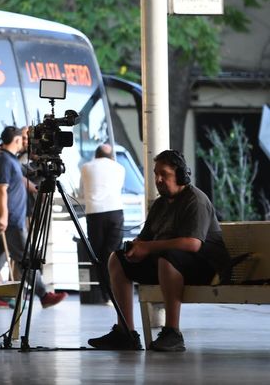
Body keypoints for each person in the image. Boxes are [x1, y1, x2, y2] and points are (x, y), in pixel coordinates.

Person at [89, 149, 232, 352]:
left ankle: (173, 332)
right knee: (117, 259)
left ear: (181, 175)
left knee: (167, 257)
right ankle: (125, 333)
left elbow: (193, 244)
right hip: (168, 265)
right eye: (156, 174)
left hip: (205, 267)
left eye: (164, 174)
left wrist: (148, 247)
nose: (158, 179)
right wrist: (136, 247)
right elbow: (145, 239)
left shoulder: (195, 200)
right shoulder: (160, 204)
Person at [0, 126, 66, 309]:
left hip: (12, 218)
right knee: (27, 259)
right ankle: (43, 295)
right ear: (17, 140)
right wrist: (3, 216)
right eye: (23, 139)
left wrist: (36, 190)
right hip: (11, 219)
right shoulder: (3, 161)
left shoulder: (9, 160)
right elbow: (1, 190)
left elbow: (19, 179)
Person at [80, 143, 126, 304]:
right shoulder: (119, 168)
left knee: (98, 256)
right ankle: (117, 291)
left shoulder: (86, 167)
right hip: (115, 212)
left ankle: (107, 295)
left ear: (96, 154)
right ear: (111, 156)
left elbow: (81, 192)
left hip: (94, 213)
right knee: (113, 254)